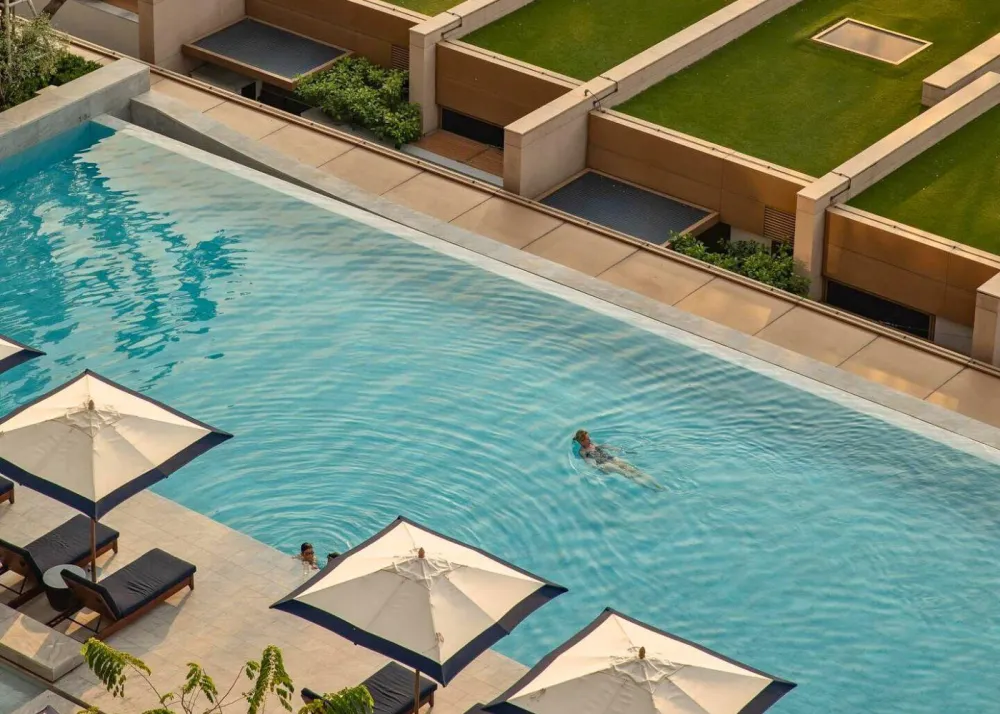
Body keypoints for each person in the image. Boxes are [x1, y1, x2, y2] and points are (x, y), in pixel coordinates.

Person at [573, 430, 663, 492]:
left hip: (610, 458)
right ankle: (651, 489)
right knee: (627, 474)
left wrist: (617, 449)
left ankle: (658, 485)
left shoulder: (592, 443)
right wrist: (598, 468)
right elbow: (589, 462)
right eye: (587, 439)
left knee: (634, 470)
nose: (589, 439)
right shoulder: (582, 452)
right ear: (582, 442)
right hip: (604, 464)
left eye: (589, 437)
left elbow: (604, 446)